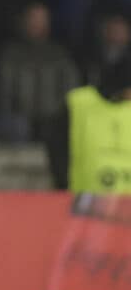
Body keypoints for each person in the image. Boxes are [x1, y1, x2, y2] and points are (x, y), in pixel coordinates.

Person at [45, 56, 131, 193]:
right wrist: (62, 183)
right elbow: (56, 145)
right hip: (84, 202)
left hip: (126, 205)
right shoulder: (78, 103)